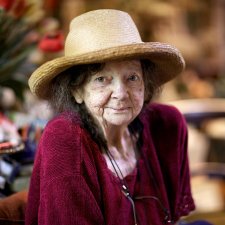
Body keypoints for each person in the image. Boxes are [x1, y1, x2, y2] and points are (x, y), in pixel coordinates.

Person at [25, 9, 195, 225]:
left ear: (146, 82)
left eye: (132, 77)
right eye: (101, 79)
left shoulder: (165, 126)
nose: (121, 93)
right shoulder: (64, 139)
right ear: (76, 91)